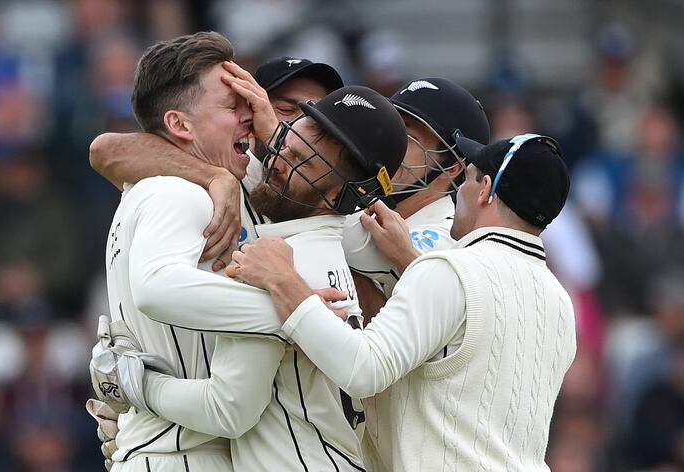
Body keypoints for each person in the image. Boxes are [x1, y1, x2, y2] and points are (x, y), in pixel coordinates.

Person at [92, 85, 407, 471]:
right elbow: (108, 150)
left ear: (340, 195)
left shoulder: (279, 267)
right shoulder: (314, 246)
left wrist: (135, 385)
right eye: (286, 145)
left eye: (300, 163)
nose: (276, 162)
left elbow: (226, 410)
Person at [227, 134, 577, 471]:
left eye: (468, 180)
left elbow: (363, 370)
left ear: (485, 190)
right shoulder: (560, 301)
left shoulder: (450, 269)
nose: (460, 194)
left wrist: (283, 281)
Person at [88, 56, 343, 269]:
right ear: (253, 109)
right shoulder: (201, 172)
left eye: (315, 117)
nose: (302, 127)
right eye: (287, 110)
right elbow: (105, 150)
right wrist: (216, 176)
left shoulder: (339, 187)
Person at [341, 77, 490, 317]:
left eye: (407, 138)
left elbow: (344, 235)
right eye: (389, 128)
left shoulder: (448, 240)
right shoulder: (358, 203)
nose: (387, 144)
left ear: (452, 168)